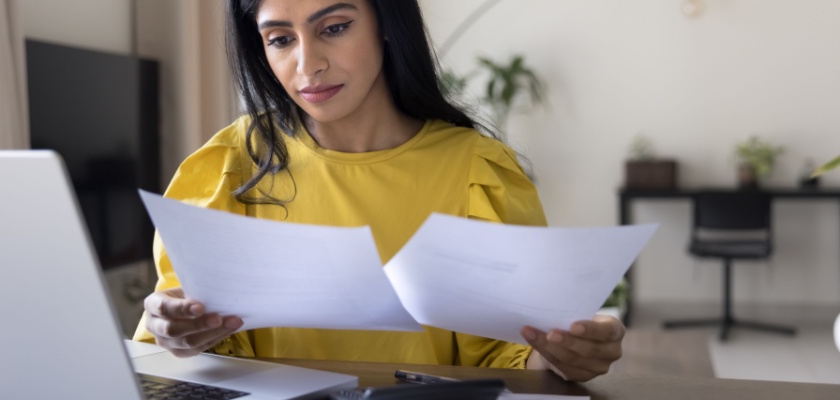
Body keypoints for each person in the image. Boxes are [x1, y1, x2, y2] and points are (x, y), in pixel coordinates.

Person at [133, 0, 625, 382]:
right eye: (280, 39)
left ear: (386, 21)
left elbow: (510, 356)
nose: (308, 65)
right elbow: (186, 341)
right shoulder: (229, 165)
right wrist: (172, 330)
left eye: (335, 28)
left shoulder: (478, 170)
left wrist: (570, 352)